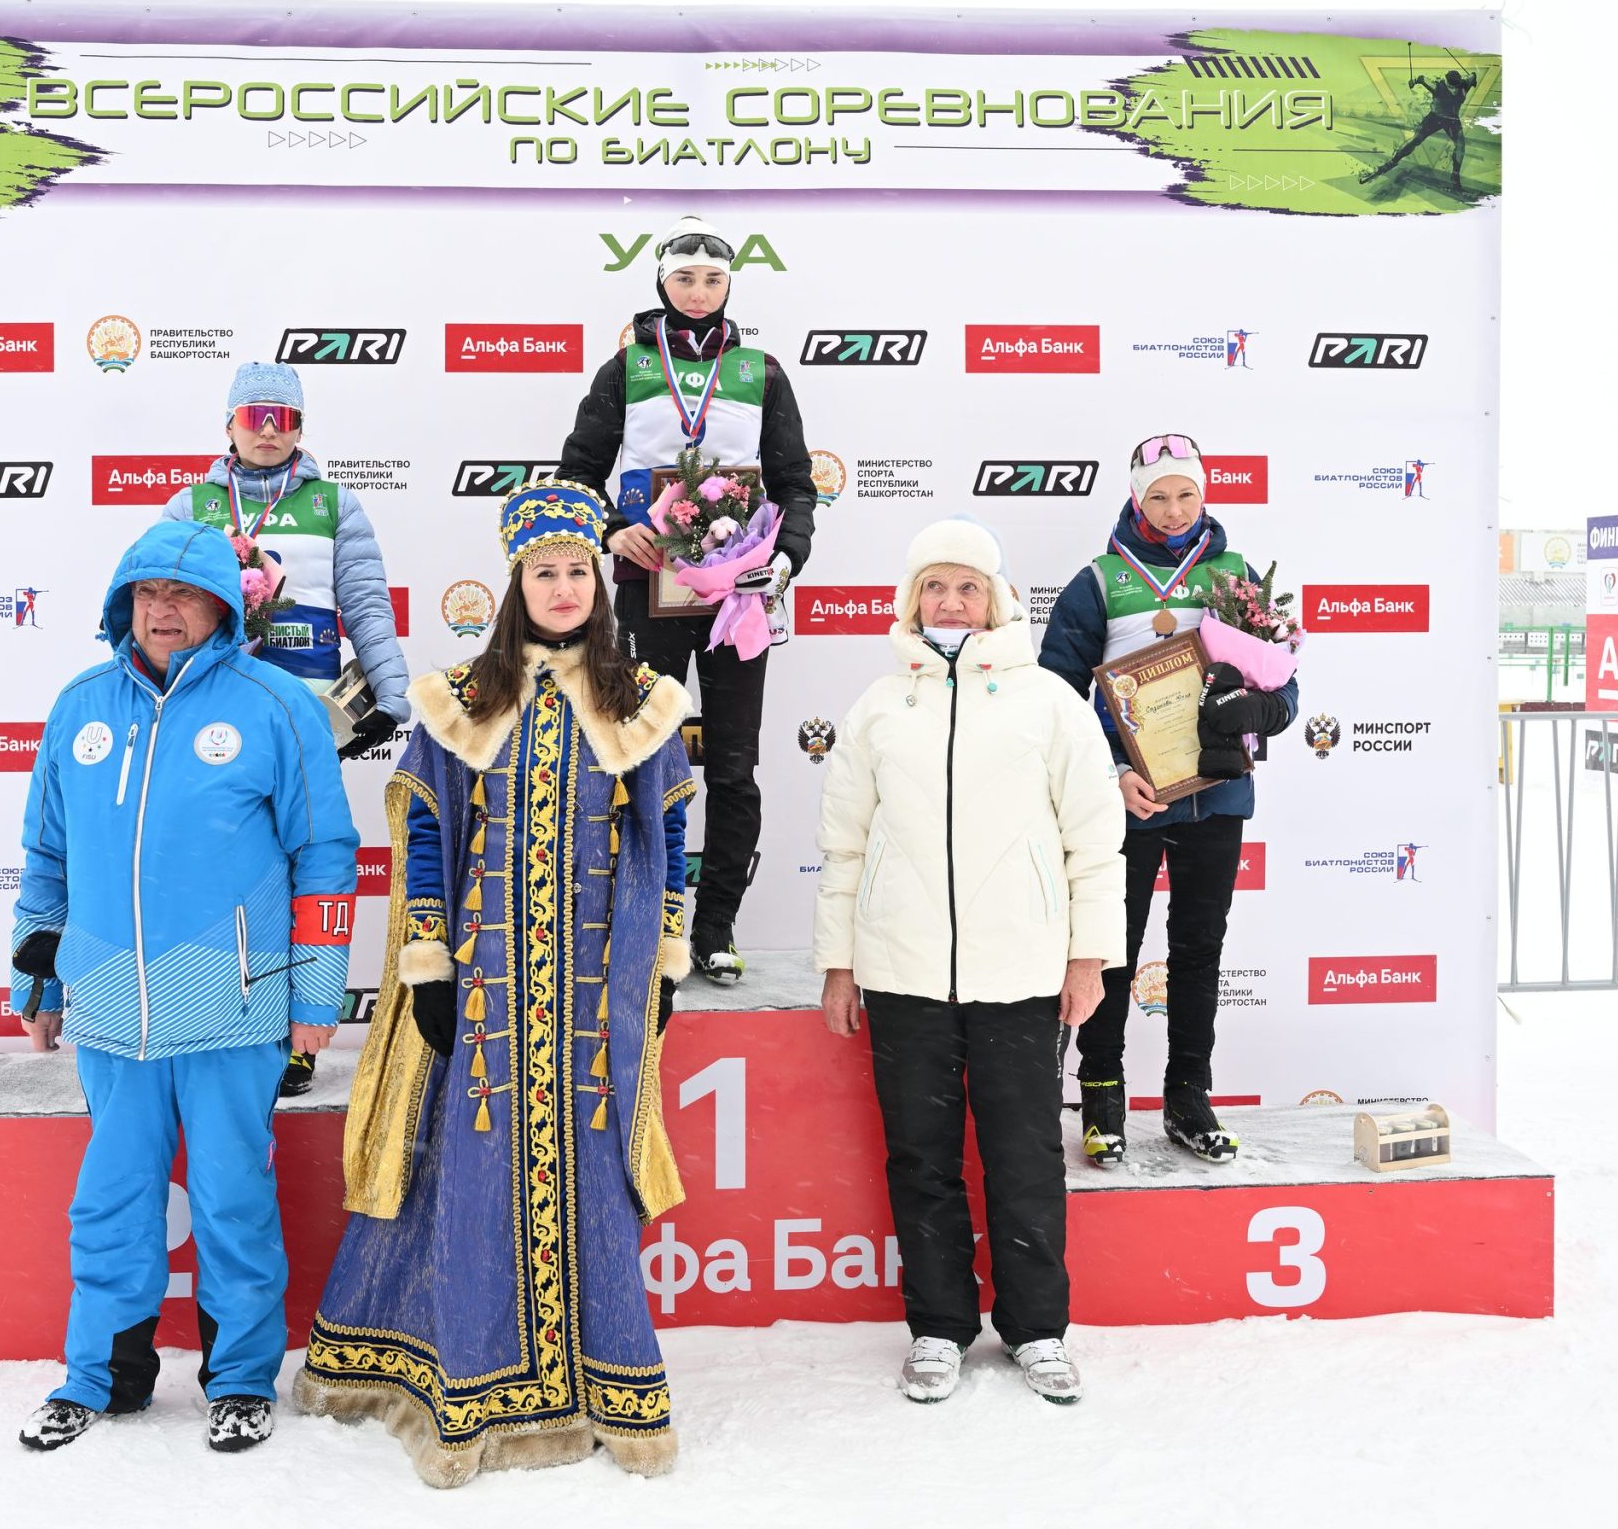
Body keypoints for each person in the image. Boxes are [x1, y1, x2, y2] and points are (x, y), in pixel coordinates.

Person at [295, 479, 696, 1488]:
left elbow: (671, 837)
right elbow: (429, 833)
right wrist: (428, 960)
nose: (563, 588)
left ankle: (602, 1383)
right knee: (470, 1177)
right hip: (489, 991)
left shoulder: (641, 700)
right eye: (543, 572)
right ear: (517, 585)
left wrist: (665, 958)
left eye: (578, 571)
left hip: (595, 994)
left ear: (599, 583)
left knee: (595, 1176)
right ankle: (471, 1382)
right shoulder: (463, 698)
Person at [7, 519, 360, 1455]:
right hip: (111, 1008)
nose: (162, 610)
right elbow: (46, 857)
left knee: (232, 1199)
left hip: (233, 1005)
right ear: (123, 603)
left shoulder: (276, 705)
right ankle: (100, 1376)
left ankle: (239, 1377)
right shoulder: (79, 706)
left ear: (224, 606)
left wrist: (315, 997)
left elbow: (326, 856)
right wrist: (37, 982)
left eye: (184, 593)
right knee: (110, 1200)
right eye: (147, 593)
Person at [811, 518, 1124, 1406]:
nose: (951, 602)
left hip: (1020, 972)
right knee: (921, 1158)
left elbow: (1094, 841)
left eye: (968, 586)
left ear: (997, 600)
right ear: (912, 599)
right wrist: (839, 962)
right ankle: (939, 1327)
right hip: (902, 971)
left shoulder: (1048, 702)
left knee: (1025, 1157)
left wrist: (1088, 957)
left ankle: (1037, 1328)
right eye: (935, 586)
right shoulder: (880, 706)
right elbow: (844, 844)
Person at [555, 214, 815, 986]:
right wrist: (613, 528)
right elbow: (577, 474)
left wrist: (788, 558)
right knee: (644, 756)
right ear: (661, 281)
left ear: (729, 283)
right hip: (649, 592)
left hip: (739, 598)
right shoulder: (626, 366)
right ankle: (652, 921)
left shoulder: (762, 370)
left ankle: (716, 927)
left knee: (733, 767)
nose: (698, 291)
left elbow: (795, 483)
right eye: (683, 277)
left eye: (712, 279)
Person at [1036, 434, 1299, 1165]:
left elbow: (1284, 681)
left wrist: (1266, 710)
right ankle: (1101, 1093)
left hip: (1216, 795)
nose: (1174, 509)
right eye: (1158, 495)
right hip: (1129, 799)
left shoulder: (1235, 576)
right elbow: (1053, 703)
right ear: (1135, 498)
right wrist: (1112, 771)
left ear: (1204, 494)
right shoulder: (1099, 581)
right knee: (1111, 951)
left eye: (1186, 493)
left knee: (1199, 949)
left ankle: (1188, 1096)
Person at [164, 359, 410, 1096]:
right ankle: (225, 1020)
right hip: (212, 720)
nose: (268, 431)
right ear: (229, 425)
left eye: (283, 418)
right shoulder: (191, 504)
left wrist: (391, 696)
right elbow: (157, 605)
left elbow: (366, 605)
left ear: (301, 427)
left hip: (307, 717)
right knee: (223, 869)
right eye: (254, 417)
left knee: (309, 870)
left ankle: (300, 1031)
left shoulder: (335, 503)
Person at [1360, 66, 1480, 190]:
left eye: (1456, 87)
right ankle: (1392, 162)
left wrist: (1473, 77)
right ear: (1446, 82)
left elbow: (1472, 75)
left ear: (1459, 83)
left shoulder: (1464, 85)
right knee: (1415, 140)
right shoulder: (1437, 87)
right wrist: (1414, 81)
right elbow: (1422, 79)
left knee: (1460, 145)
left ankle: (1455, 176)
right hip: (1435, 118)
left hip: (1452, 120)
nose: (1454, 90)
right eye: (1451, 87)